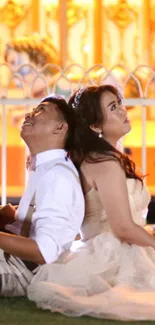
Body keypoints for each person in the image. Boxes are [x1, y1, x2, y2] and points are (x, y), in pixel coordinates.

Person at [28, 85, 155, 321]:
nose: (123, 111)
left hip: (131, 245)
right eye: (113, 107)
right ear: (95, 126)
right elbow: (123, 228)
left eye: (120, 104)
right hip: (112, 254)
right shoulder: (102, 162)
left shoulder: (111, 158)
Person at [0, 94, 84, 296]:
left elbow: (44, 252)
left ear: (60, 128)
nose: (29, 114)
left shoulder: (57, 175)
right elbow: (33, 221)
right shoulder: (45, 167)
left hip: (22, 272)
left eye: (40, 110)